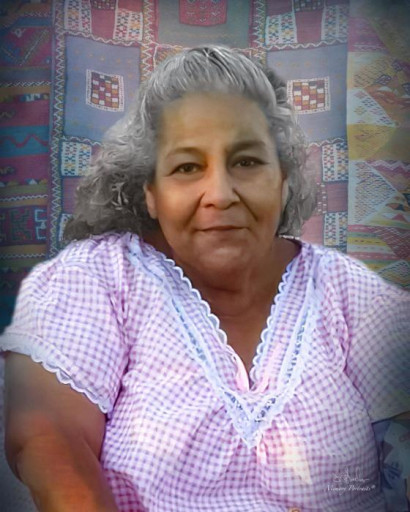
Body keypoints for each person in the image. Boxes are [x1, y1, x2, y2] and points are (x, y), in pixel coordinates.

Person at [1, 46, 409, 512]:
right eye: (187, 167)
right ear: (150, 192)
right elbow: (48, 437)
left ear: (284, 179)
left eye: (247, 162)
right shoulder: (98, 279)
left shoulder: (343, 290)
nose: (219, 194)